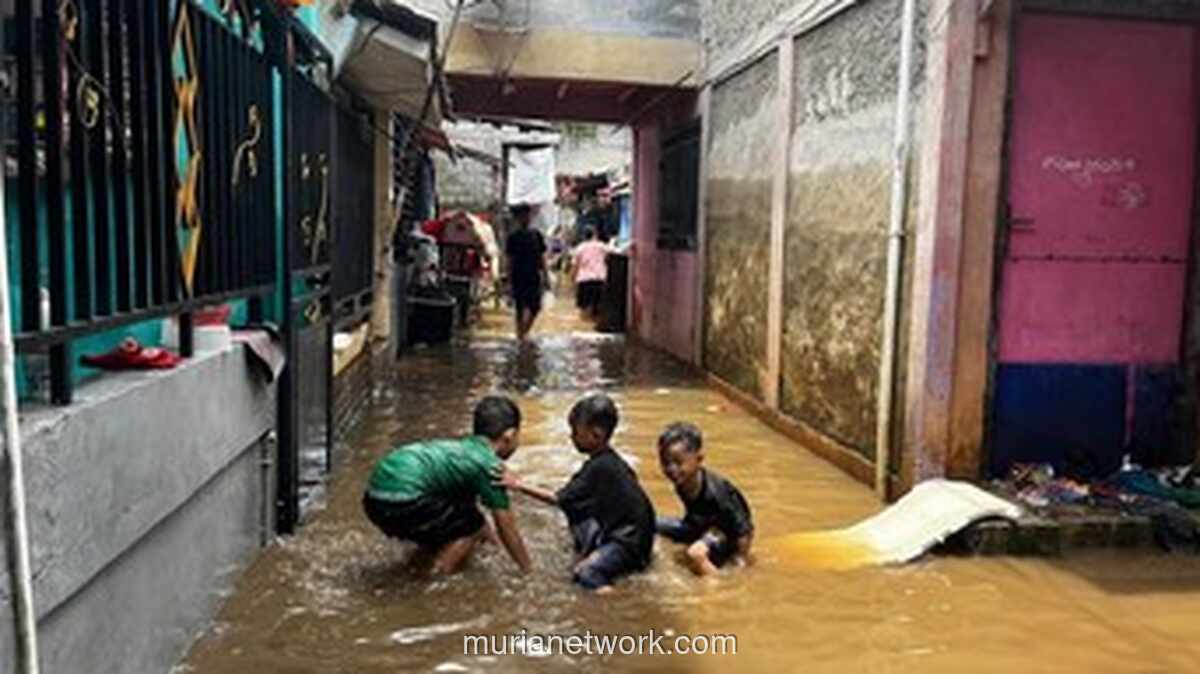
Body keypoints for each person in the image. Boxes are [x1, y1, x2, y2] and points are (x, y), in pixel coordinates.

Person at [498, 394, 655, 592]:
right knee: (579, 522)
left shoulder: (599, 467)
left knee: (584, 573)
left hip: (628, 543)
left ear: (596, 435)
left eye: (575, 431)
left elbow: (557, 498)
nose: (571, 437)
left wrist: (517, 484)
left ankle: (613, 602)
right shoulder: (614, 463)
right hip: (637, 537)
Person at [362, 396, 533, 576]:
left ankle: (417, 568)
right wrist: (527, 570)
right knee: (469, 527)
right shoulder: (490, 466)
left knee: (460, 522)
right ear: (510, 435)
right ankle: (435, 580)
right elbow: (505, 525)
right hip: (405, 499)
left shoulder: (461, 451)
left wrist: (493, 549)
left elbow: (473, 516)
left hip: (374, 499)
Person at [655, 422, 754, 576]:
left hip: (724, 535)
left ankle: (715, 584)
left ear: (699, 459)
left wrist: (740, 560)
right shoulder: (683, 481)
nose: (671, 469)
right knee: (650, 523)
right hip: (699, 526)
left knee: (695, 553)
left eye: (678, 462)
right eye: (666, 463)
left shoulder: (717, 493)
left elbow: (744, 530)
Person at [504, 204, 548, 341]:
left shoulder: (536, 235)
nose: (525, 218)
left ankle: (522, 333)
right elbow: (509, 260)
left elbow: (542, 257)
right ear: (517, 218)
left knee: (535, 306)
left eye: (527, 215)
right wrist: (508, 280)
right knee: (519, 307)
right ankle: (520, 336)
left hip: (533, 274)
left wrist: (546, 276)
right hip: (518, 275)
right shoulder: (513, 237)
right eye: (522, 216)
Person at [571, 227, 609, 319]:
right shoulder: (601, 246)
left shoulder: (580, 248)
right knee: (598, 309)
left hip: (584, 280)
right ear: (595, 235)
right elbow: (615, 252)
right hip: (599, 279)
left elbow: (575, 265)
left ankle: (582, 328)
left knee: (583, 309)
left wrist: (572, 278)